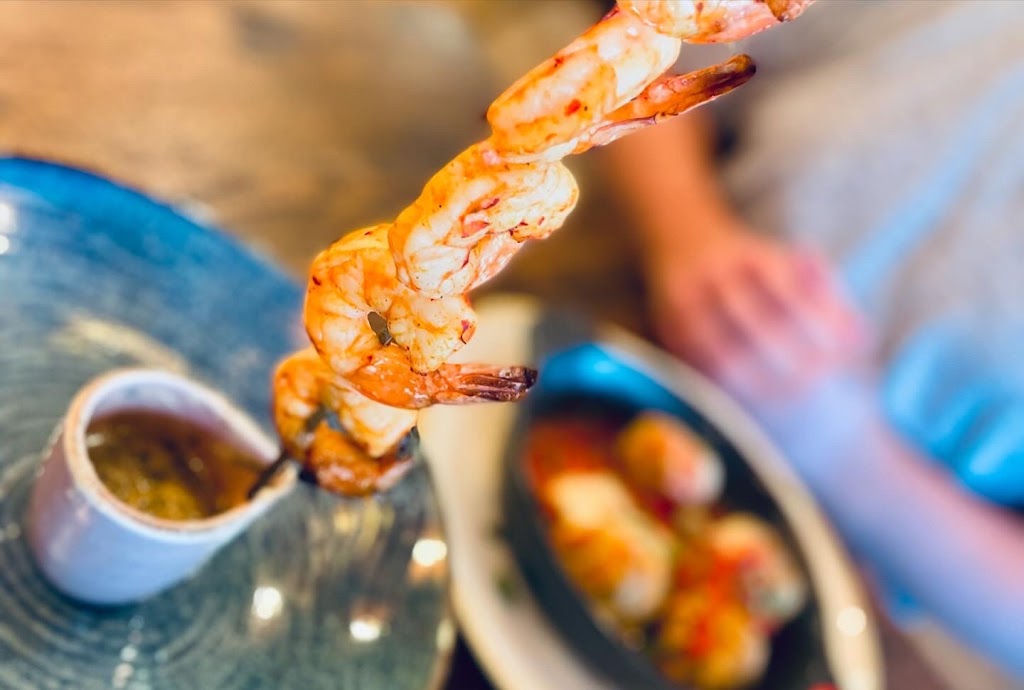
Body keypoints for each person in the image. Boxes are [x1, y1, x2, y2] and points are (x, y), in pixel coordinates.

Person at [597, 0, 1024, 678]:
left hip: (838, 594)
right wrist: (685, 230)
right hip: (614, 310)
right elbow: (646, 41)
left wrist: (839, 445)